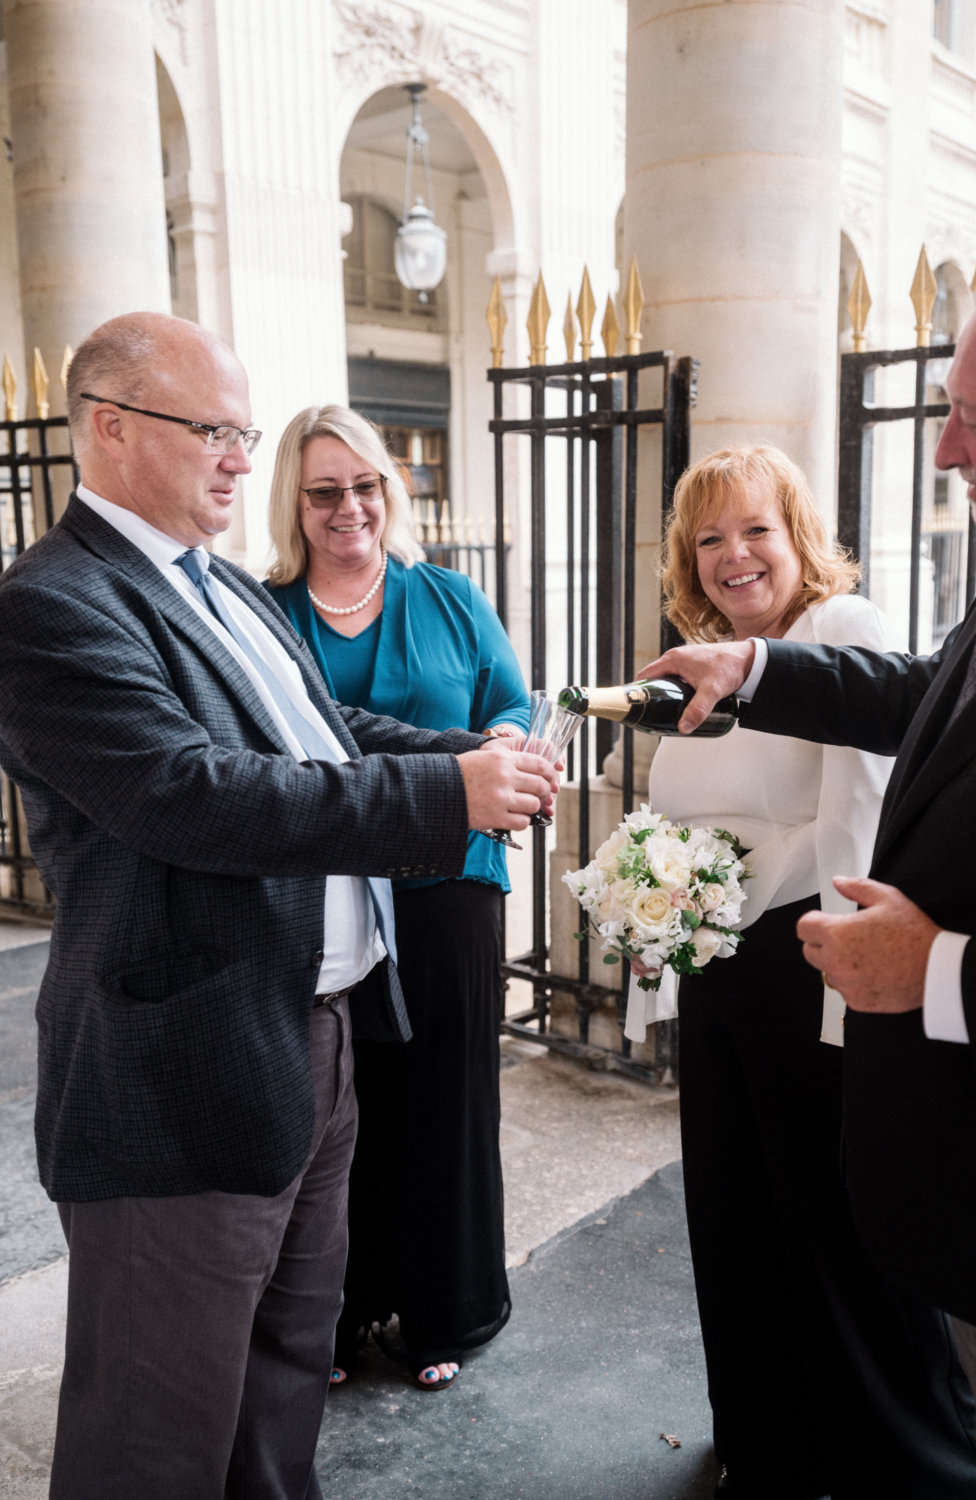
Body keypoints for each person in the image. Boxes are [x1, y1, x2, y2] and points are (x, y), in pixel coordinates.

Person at [0, 311, 557, 1500]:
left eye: (243, 433)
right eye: (216, 430)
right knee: (157, 1428)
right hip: (183, 1067)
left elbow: (328, 732)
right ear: (109, 426)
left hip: (320, 1036)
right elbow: (191, 795)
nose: (241, 461)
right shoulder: (53, 604)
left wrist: (476, 763)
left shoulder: (222, 588)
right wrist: (439, 796)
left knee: (286, 1371)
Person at [642, 232, 976, 1500]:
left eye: (974, 418)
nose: (946, 452)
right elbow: (932, 700)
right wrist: (756, 671)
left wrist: (940, 973)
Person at [639, 445, 976, 1500]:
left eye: (756, 530)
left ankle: (886, 1463)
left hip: (812, 974)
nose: (734, 556)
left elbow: (864, 816)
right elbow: (671, 828)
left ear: (800, 538)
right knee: (736, 1219)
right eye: (709, 539)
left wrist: (848, 999)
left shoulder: (842, 634)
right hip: (724, 982)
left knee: (838, 1236)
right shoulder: (696, 657)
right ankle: (768, 1441)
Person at [264, 405, 529, 1393]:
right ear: (293, 503)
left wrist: (500, 744)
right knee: (337, 1108)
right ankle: (335, 1316)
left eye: (365, 485)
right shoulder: (265, 611)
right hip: (321, 899)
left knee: (445, 1105)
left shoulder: (451, 597)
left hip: (449, 885)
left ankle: (445, 1310)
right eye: (325, 490)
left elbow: (507, 701)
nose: (349, 508)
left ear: (391, 491)